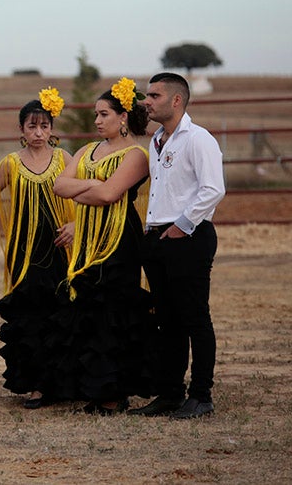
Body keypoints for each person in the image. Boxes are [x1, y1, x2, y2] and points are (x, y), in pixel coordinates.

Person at [45, 78, 156, 414]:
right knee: (88, 309)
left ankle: (115, 391)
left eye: (103, 114)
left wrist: (88, 189)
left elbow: (111, 195)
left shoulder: (136, 155)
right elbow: (59, 186)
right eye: (95, 114)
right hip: (88, 240)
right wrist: (94, 183)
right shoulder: (86, 151)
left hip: (119, 239)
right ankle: (92, 386)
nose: (96, 120)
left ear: (123, 117)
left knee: (114, 311)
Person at [0, 89, 74, 409]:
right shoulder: (11, 164)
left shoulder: (65, 159)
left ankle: (65, 382)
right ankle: (37, 385)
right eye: (31, 126)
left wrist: (77, 226)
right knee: (31, 314)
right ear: (21, 131)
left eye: (44, 126)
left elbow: (89, 193)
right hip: (24, 251)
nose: (38, 133)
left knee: (62, 312)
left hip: (60, 247)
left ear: (52, 129)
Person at [130, 72, 226, 419]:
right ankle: (170, 393)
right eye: (147, 95)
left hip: (188, 236)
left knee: (194, 317)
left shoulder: (198, 139)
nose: (147, 101)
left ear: (176, 100)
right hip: (157, 236)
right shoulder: (157, 140)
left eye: (154, 96)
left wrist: (182, 226)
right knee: (167, 321)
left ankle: (201, 395)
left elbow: (213, 189)